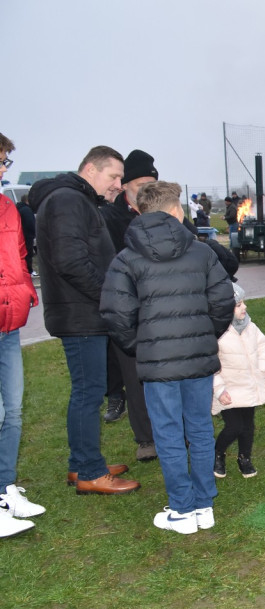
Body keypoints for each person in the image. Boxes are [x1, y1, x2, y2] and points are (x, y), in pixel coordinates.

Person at [100, 181, 234, 534]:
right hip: (196, 357)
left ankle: (184, 508)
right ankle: (202, 505)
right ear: (176, 211)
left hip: (159, 362)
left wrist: (141, 344)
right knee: (201, 428)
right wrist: (205, 335)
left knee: (170, 434)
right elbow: (223, 302)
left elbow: (115, 314)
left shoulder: (125, 258)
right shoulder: (203, 252)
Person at [27, 146, 138, 495]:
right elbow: (70, 261)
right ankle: (90, 471)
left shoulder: (74, 199)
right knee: (89, 394)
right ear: (90, 169)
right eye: (114, 176)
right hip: (80, 314)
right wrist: (110, 296)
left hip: (81, 311)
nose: (119, 184)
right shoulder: (68, 200)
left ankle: (82, 464)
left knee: (87, 392)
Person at [98, 150, 159, 458]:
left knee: (166, 373)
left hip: (162, 305)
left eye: (151, 181)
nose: (146, 187)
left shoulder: (165, 212)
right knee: (134, 375)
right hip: (129, 307)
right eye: (139, 182)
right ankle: (146, 438)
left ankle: (175, 430)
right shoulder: (109, 217)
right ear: (125, 185)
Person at [0, 132, 45, 537]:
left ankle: (5, 489)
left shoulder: (8, 208)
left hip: (8, 322)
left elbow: (18, 257)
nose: (2, 169)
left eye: (4, 163)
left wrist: (25, 292)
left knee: (12, 411)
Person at [212, 283, 265, 478]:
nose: (244, 307)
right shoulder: (217, 334)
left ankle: (244, 458)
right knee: (234, 426)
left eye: (243, 302)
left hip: (250, 386)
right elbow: (211, 366)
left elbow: (264, 347)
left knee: (247, 426)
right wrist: (219, 390)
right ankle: (218, 453)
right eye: (238, 305)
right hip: (229, 390)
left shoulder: (250, 327)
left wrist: (263, 369)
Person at [15, 194, 35, 276]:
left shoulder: (18, 208)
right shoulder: (27, 210)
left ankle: (23, 270)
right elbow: (31, 223)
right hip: (27, 235)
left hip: (20, 235)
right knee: (28, 254)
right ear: (27, 201)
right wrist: (34, 232)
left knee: (21, 254)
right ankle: (29, 271)